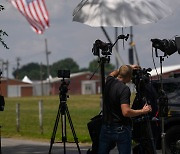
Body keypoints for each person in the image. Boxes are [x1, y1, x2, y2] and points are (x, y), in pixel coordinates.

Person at [98, 64, 152, 154]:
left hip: (106, 127)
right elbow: (126, 112)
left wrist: (128, 67)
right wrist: (143, 111)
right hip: (120, 129)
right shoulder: (124, 89)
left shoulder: (109, 81)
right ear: (128, 76)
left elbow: (112, 73)